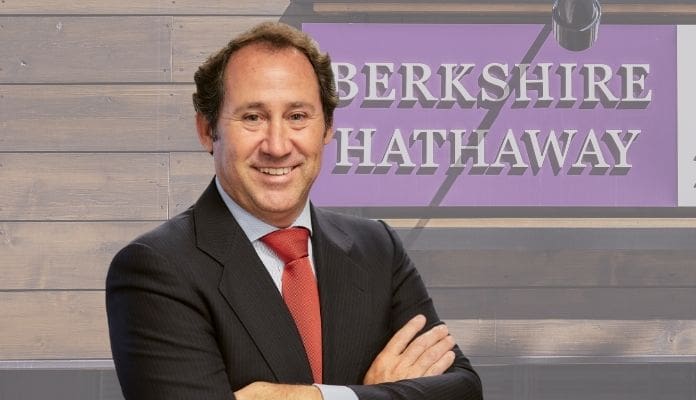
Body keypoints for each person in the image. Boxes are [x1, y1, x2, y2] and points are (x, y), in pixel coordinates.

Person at [106, 22, 482, 400]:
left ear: (328, 128)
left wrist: (315, 398)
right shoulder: (155, 269)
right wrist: (378, 393)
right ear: (207, 130)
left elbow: (464, 391)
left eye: (297, 116)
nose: (278, 145)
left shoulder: (378, 249)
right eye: (252, 117)